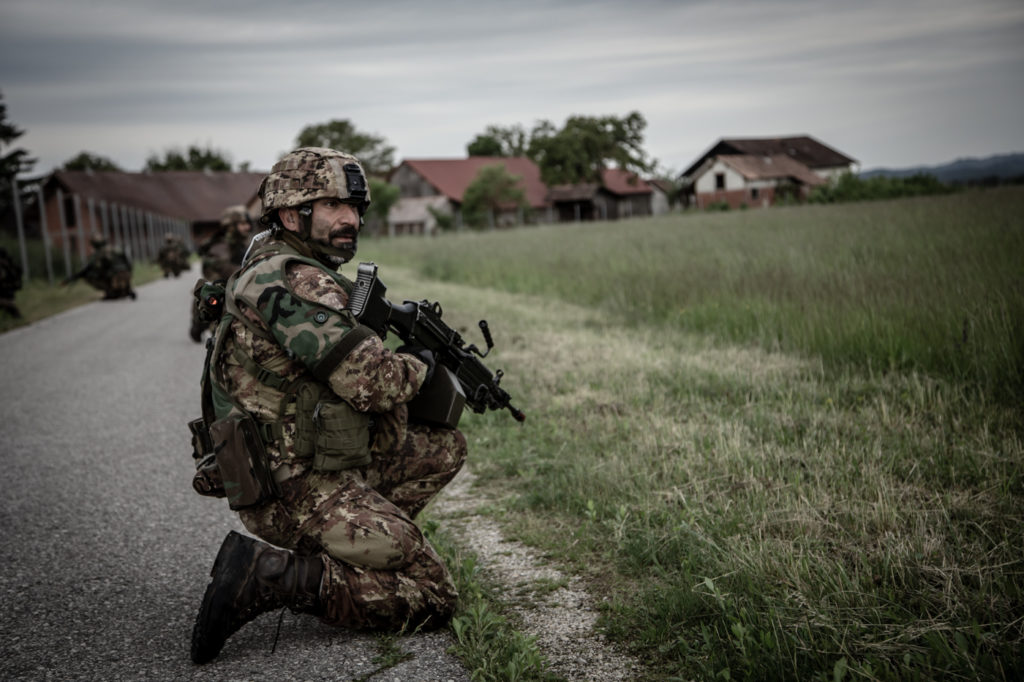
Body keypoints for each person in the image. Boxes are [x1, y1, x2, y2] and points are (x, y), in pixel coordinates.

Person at [189, 147, 467, 664]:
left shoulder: (265, 263)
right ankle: (271, 576)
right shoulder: (298, 280)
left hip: (292, 464)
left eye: (355, 207)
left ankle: (356, 548)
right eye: (334, 206)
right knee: (435, 592)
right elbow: (377, 384)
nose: (352, 219)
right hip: (291, 484)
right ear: (293, 214)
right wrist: (422, 363)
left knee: (442, 447)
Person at [189, 205, 254, 341]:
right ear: (231, 226)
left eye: (247, 223)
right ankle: (199, 325)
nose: (247, 227)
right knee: (211, 296)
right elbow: (224, 268)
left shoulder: (244, 243)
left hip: (236, 288)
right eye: (242, 224)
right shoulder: (221, 246)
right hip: (221, 290)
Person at [63, 234, 136, 300]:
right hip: (127, 275)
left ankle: (111, 291)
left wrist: (77, 276)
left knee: (91, 275)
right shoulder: (116, 248)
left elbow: (92, 268)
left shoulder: (99, 253)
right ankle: (122, 290)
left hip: (114, 276)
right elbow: (128, 263)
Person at [0, 246, 23, 318]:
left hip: (7, 293)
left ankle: (12, 308)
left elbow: (17, 283)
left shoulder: (9, 267)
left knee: (9, 305)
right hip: (6, 293)